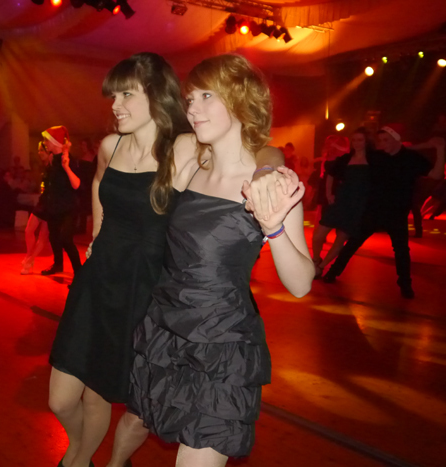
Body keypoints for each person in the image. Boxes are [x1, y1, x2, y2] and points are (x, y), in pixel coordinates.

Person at [47, 52, 286, 467]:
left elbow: (263, 150)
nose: (115, 105)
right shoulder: (110, 145)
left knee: (107, 395)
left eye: (126, 94)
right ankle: (81, 453)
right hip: (98, 282)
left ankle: (80, 460)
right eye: (113, 96)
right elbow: (100, 184)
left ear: (157, 95)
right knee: (61, 399)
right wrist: (99, 236)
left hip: (145, 287)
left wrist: (268, 173)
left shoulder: (185, 146)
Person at [112, 53, 313, 467]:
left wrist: (274, 227)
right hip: (164, 327)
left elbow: (301, 284)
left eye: (207, 96)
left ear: (240, 99)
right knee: (137, 416)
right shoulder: (192, 159)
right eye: (190, 98)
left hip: (222, 345)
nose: (193, 108)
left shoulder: (270, 185)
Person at [323, 124, 445, 298]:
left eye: (386, 140)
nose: (382, 143)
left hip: (397, 213)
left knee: (401, 250)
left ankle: (405, 285)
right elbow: (356, 153)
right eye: (380, 140)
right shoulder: (377, 156)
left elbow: (436, 175)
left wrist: (440, 150)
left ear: (396, 140)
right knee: (353, 243)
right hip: (373, 210)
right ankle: (333, 272)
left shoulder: (412, 158)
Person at [311, 127, 372, 278]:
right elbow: (330, 174)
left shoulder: (374, 159)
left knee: (341, 239)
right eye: (354, 140)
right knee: (318, 236)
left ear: (366, 141)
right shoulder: (346, 158)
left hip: (358, 203)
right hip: (341, 199)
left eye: (360, 140)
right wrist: (329, 194)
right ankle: (316, 260)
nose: (356, 143)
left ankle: (321, 267)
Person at [40, 125, 83, 277]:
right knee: (54, 237)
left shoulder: (69, 160)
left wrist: (66, 168)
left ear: (54, 142)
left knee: (66, 238)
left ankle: (79, 273)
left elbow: (77, 184)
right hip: (54, 206)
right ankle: (58, 264)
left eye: (47, 140)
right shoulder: (52, 158)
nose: (45, 143)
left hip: (68, 207)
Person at [21, 141, 51, 274]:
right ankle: (29, 257)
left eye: (42, 150)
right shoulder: (44, 166)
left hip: (52, 204)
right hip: (42, 201)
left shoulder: (54, 166)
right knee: (28, 230)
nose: (39, 153)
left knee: (43, 236)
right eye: (39, 150)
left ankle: (30, 260)